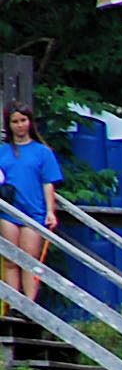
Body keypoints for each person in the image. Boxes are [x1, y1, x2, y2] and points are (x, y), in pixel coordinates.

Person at [0, 106, 64, 307]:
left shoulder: (43, 152)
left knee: (30, 260)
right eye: (15, 122)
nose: (20, 125)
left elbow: (48, 183)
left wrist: (50, 211)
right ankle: (14, 304)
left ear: (30, 122)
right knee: (11, 260)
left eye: (23, 121)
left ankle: (29, 305)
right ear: (9, 125)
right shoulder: (3, 151)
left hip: (33, 212)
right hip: (8, 211)